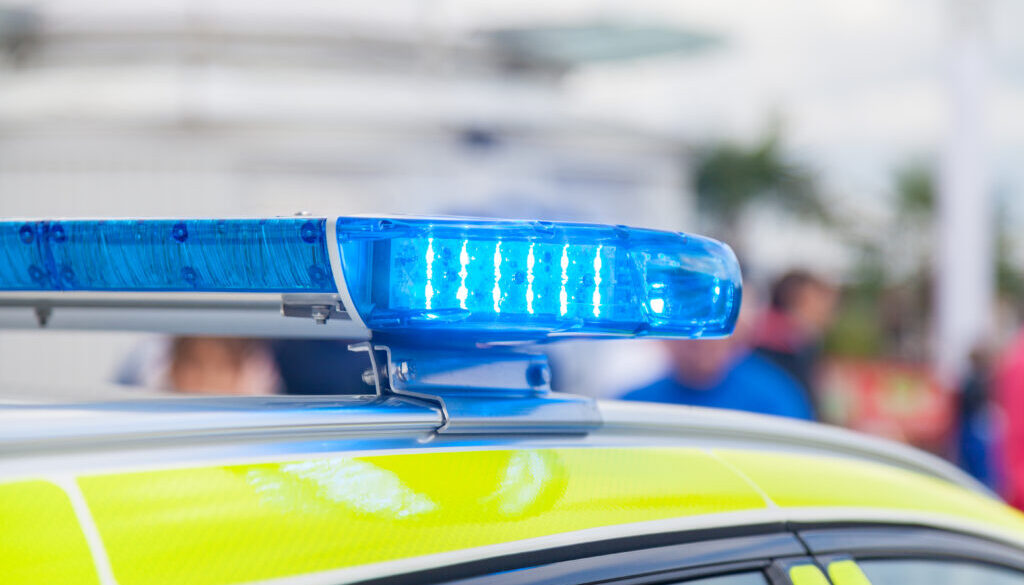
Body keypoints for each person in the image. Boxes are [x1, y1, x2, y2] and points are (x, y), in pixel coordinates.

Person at [621, 298, 813, 420]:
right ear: (662, 337)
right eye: (685, 328)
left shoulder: (775, 399)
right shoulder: (634, 406)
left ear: (737, 332)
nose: (698, 339)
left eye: (710, 328)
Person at [752, 270, 837, 416]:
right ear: (794, 299)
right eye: (819, 299)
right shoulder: (779, 347)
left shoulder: (797, 344)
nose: (828, 310)